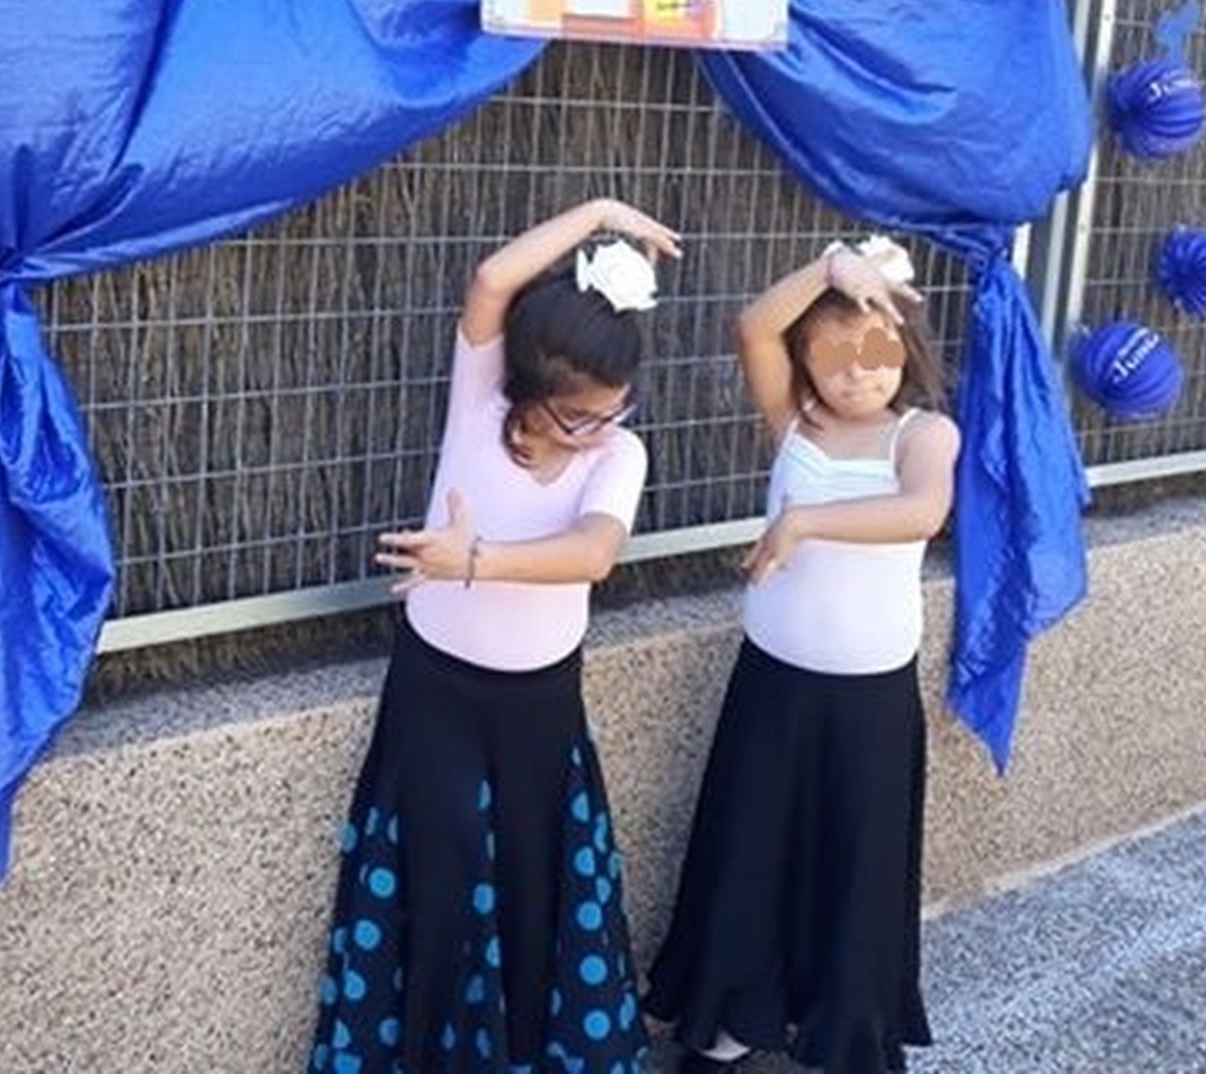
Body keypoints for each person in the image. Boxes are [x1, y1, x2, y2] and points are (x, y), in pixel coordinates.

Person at [309, 198, 680, 1074]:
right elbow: (490, 280)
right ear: (529, 391)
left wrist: (472, 560)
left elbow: (593, 553)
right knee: (437, 881)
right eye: (579, 415)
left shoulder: (618, 456)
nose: (600, 429)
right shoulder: (478, 401)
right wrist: (598, 213)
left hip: (539, 710)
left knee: (530, 896)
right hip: (435, 692)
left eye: (615, 409)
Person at [645, 237, 960, 1074]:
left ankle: (848, 1033)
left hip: (869, 703)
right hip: (773, 687)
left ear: (905, 347)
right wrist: (830, 268)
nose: (858, 371)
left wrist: (804, 521)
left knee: (854, 871)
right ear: (806, 363)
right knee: (749, 855)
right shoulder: (795, 423)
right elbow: (753, 326)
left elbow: (922, 512)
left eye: (875, 349)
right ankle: (727, 1025)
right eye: (832, 353)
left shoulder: (924, 434)